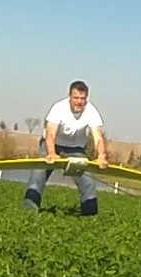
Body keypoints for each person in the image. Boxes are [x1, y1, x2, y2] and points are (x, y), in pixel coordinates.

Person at [22, 80, 109, 216]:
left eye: (82, 98)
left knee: (88, 183)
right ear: (69, 96)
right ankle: (28, 213)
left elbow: (98, 137)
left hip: (76, 150)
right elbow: (50, 133)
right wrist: (51, 153)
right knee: (37, 178)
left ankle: (90, 217)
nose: (79, 102)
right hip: (52, 145)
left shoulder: (91, 111)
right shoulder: (59, 108)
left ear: (86, 98)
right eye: (76, 98)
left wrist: (102, 156)